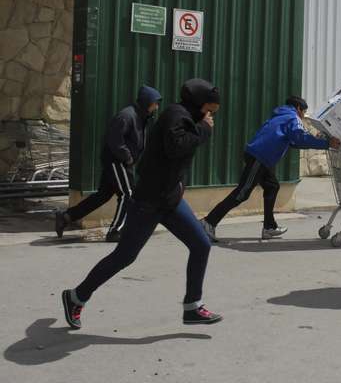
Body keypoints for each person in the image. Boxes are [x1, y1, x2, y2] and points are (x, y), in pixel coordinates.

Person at [61, 79, 223, 329]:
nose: (213, 113)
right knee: (124, 256)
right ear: (200, 103)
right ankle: (76, 296)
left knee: (201, 245)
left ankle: (192, 307)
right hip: (149, 200)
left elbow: (176, 160)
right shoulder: (175, 115)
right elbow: (175, 148)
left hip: (170, 199)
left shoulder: (189, 118)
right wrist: (203, 130)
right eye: (211, 107)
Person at [200, 96, 340, 242]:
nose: (303, 116)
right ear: (298, 108)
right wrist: (327, 143)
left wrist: (320, 141)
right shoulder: (292, 117)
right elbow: (300, 138)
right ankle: (208, 222)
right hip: (259, 157)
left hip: (262, 158)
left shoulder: (282, 115)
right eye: (303, 112)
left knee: (272, 186)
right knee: (242, 193)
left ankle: (269, 227)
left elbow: (293, 141)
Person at [55, 85, 162, 242]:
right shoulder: (127, 116)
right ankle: (115, 231)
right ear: (147, 102)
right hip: (117, 161)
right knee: (128, 194)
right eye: (155, 103)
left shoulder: (141, 117)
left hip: (120, 161)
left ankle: (66, 217)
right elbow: (114, 139)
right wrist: (127, 157)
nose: (156, 107)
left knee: (103, 195)